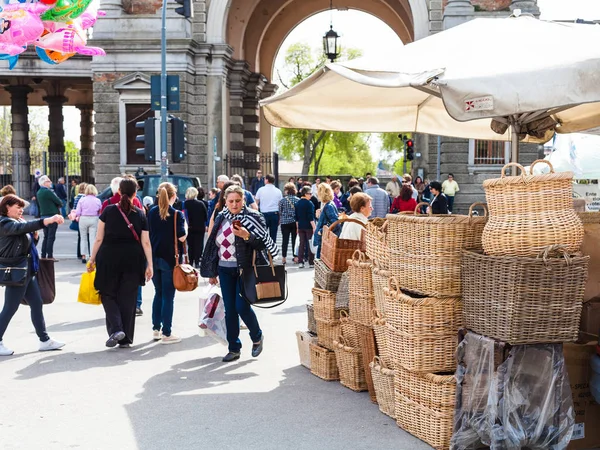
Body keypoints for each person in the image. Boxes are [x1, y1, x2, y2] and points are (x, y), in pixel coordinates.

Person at [201, 185, 277, 362]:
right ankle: (233, 348)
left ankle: (257, 336)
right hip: (224, 269)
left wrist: (246, 235)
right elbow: (213, 245)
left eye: (238, 201)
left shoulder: (254, 217)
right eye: (231, 201)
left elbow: (263, 244)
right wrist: (212, 271)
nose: (234, 205)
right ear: (225, 202)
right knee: (230, 310)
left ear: (243, 200)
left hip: (245, 269)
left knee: (241, 306)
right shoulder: (221, 217)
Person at [88, 178, 153, 348]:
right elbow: (146, 242)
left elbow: (99, 238)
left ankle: (117, 329)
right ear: (135, 193)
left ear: (118, 192)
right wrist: (150, 265)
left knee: (107, 293)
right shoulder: (140, 213)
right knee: (128, 298)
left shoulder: (108, 211)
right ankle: (125, 339)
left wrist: (92, 258)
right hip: (133, 258)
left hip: (108, 257)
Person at [0, 195, 65, 356]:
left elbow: (24, 245)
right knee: (10, 308)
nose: (22, 209)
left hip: (27, 271)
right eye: (18, 206)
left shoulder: (18, 222)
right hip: (17, 271)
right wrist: (47, 220)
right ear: (7, 207)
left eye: (22, 207)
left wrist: (34, 238)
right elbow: (22, 230)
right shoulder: (5, 223)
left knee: (36, 303)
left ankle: (44, 340)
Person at [148, 182, 187, 344]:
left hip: (153, 257)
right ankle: (167, 332)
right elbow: (182, 237)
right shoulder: (177, 214)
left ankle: (156, 329)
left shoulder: (151, 212)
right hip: (170, 259)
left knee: (159, 293)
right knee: (168, 297)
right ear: (173, 196)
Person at [36, 175, 63, 260]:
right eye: (49, 181)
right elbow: (59, 201)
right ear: (44, 183)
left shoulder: (39, 192)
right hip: (52, 215)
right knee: (51, 237)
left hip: (44, 216)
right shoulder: (48, 192)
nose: (50, 183)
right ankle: (50, 255)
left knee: (46, 236)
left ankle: (43, 255)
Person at [74, 184, 102, 264]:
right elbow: (100, 211)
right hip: (94, 218)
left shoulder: (82, 200)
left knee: (83, 238)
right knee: (93, 238)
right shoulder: (97, 200)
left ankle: (83, 255)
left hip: (83, 218)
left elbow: (78, 211)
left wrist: (78, 216)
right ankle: (91, 256)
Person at [183, 186, 207, 268]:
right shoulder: (201, 204)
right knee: (199, 245)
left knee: (190, 245)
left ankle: (190, 261)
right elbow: (205, 216)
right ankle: (197, 262)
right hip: (200, 227)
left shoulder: (185, 204)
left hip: (189, 227)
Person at [314, 183, 339, 260]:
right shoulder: (328, 204)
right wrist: (319, 216)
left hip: (325, 240)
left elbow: (335, 223)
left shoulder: (328, 206)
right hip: (324, 240)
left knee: (321, 262)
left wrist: (321, 231)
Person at [255, 174, 282, 242]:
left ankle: (264, 250)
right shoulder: (278, 191)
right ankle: (272, 251)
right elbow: (280, 205)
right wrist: (280, 217)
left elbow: (256, 203)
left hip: (263, 214)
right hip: (275, 213)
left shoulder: (261, 190)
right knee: (273, 235)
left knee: (263, 234)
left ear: (266, 180)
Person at [278, 182, 299, 265]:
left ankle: (284, 258)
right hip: (294, 222)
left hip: (285, 222)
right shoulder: (298, 200)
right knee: (294, 240)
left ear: (286, 190)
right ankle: (295, 257)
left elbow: (280, 211)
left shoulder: (282, 200)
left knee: (285, 240)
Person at [295, 186, 316, 268]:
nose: (311, 195)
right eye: (309, 193)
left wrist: (297, 227)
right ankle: (311, 262)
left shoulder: (297, 203)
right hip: (309, 226)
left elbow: (296, 217)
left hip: (300, 226)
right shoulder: (310, 203)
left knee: (301, 244)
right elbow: (311, 217)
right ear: (305, 194)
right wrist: (314, 227)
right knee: (310, 243)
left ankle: (301, 261)